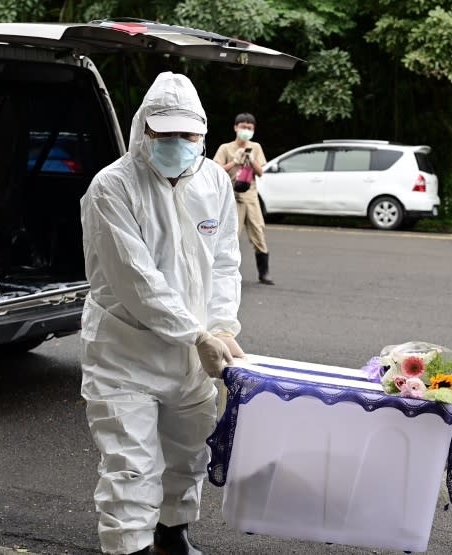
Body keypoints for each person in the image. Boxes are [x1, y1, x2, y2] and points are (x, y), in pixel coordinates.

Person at [79, 71, 245, 555]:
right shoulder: (111, 187)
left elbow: (225, 261)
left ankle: (172, 536)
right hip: (124, 352)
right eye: (164, 132)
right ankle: (129, 547)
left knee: (188, 453)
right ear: (143, 131)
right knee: (131, 464)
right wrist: (197, 335)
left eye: (187, 134)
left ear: (203, 133)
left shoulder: (213, 179)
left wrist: (219, 326)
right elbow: (138, 281)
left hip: (191, 357)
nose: (177, 143)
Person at [213, 113, 275, 285]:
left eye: (250, 128)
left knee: (258, 231)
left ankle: (264, 273)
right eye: (243, 127)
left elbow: (261, 172)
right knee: (231, 235)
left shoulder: (256, 147)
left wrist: (251, 159)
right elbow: (216, 171)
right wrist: (234, 161)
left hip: (251, 197)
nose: (246, 130)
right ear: (235, 128)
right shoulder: (226, 148)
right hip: (232, 197)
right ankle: (225, 272)